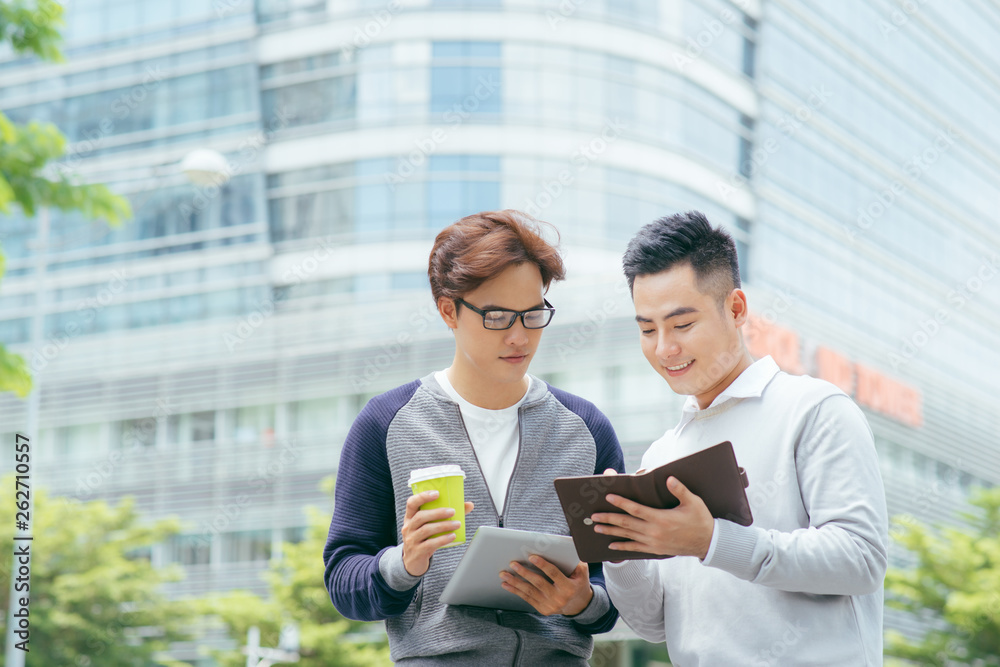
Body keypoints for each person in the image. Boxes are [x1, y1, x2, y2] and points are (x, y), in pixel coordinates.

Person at [323, 209, 624, 665]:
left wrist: (581, 601)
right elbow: (344, 580)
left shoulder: (587, 430)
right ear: (449, 310)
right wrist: (404, 564)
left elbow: (619, 587)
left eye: (533, 314)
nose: (520, 336)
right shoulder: (386, 423)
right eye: (499, 316)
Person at [593, 211, 888, 666]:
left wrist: (713, 540)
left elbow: (860, 559)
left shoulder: (813, 409)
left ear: (735, 309)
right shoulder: (661, 454)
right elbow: (654, 624)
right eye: (647, 329)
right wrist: (620, 547)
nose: (664, 348)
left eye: (682, 324)